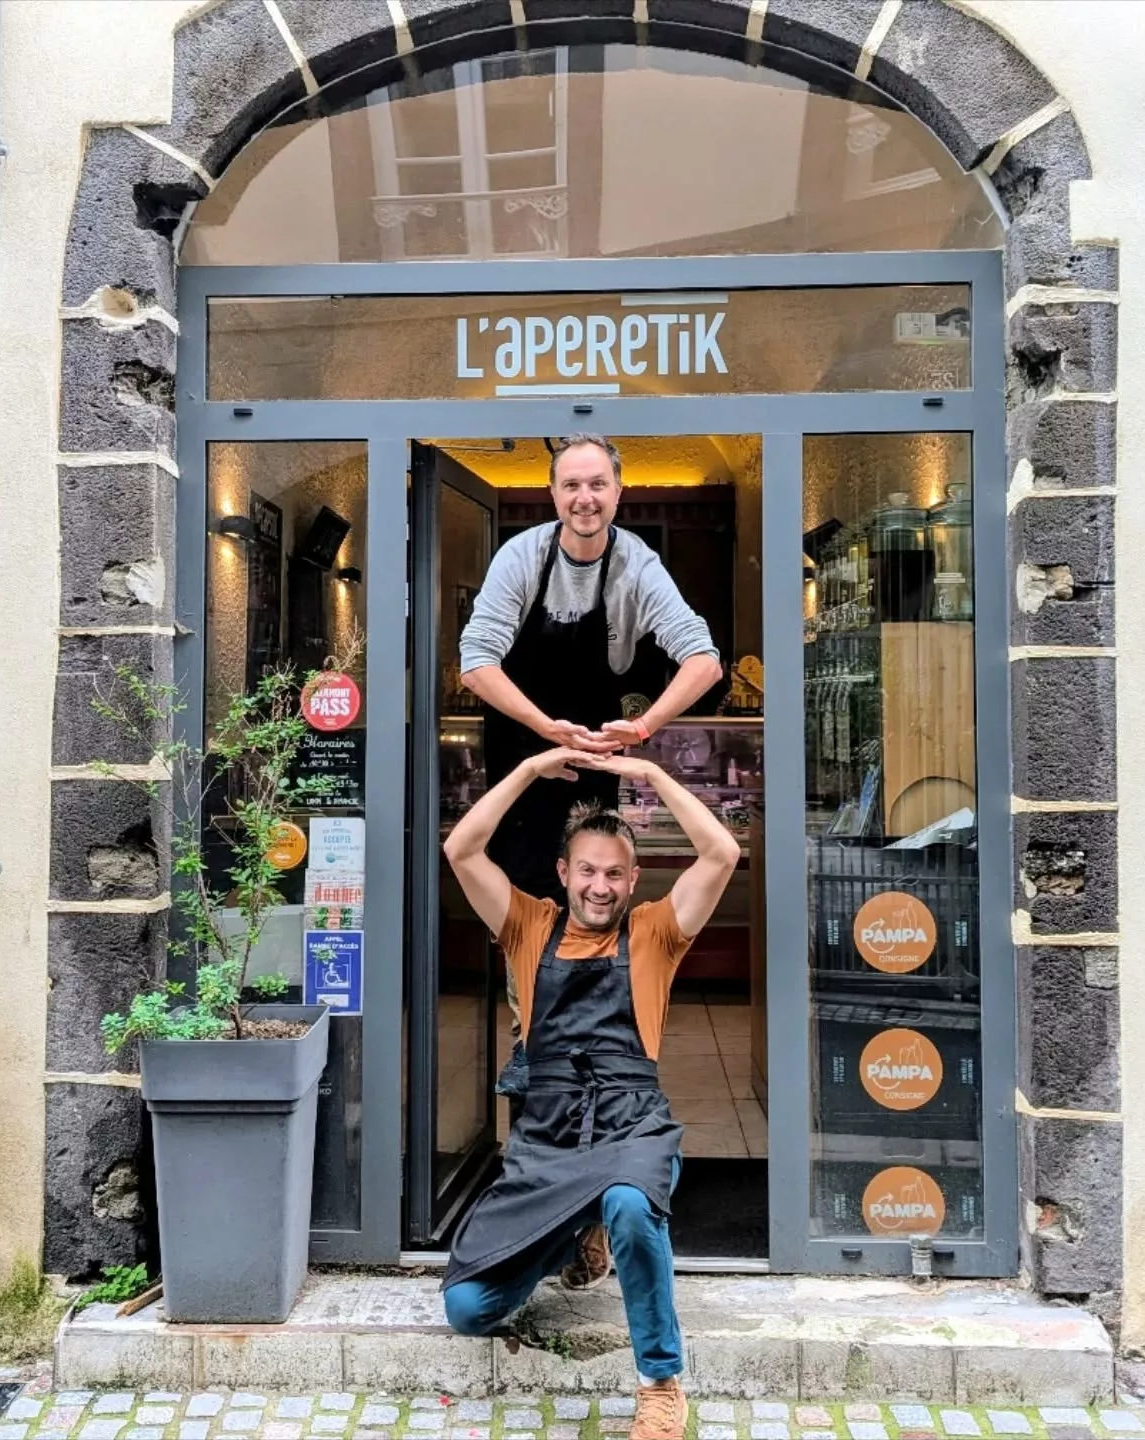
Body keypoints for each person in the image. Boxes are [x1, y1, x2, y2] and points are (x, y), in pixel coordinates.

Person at [459, 433, 722, 1283]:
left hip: (595, 792)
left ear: (617, 490)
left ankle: (602, 1200)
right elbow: (475, 662)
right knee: (532, 1011)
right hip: (525, 776)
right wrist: (544, 733)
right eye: (571, 484)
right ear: (552, 493)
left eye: (598, 484)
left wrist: (643, 728)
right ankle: (545, 1202)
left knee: (604, 1004)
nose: (585, 498)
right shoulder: (520, 559)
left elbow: (703, 659)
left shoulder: (637, 563)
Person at [440, 746, 741, 1440]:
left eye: (613, 873)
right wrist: (528, 769)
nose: (599, 887)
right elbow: (462, 848)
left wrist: (652, 774)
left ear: (633, 879)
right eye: (587, 871)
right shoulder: (527, 926)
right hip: (547, 1137)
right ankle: (577, 1231)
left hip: (632, 1126)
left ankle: (660, 1382)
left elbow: (721, 853)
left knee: (630, 1203)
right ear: (563, 874)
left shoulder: (657, 933)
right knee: (469, 1309)